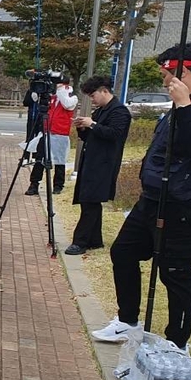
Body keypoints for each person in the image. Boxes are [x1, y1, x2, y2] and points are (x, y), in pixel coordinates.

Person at [92, 45, 191, 349]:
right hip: (154, 198)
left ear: (183, 71)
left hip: (184, 202)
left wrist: (183, 106)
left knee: (175, 272)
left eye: (166, 73)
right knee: (124, 252)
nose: (164, 80)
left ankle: (177, 342)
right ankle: (127, 320)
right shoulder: (186, 102)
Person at [65, 76, 131, 255]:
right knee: (90, 201)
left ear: (104, 91)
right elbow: (92, 136)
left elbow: (115, 134)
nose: (92, 100)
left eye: (93, 95)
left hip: (104, 164)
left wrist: (92, 124)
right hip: (92, 161)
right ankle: (95, 240)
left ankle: (80, 241)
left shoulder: (119, 112)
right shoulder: (102, 110)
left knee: (90, 202)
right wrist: (83, 127)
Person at [24, 76, 78, 197]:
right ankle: (34, 184)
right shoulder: (52, 97)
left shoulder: (71, 97)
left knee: (59, 160)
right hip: (46, 130)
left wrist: (61, 91)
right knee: (40, 158)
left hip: (60, 132)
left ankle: (58, 185)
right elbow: (34, 100)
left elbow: (67, 104)